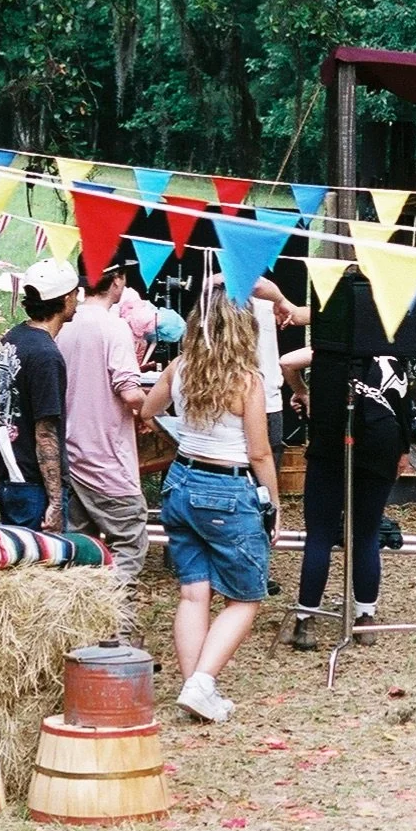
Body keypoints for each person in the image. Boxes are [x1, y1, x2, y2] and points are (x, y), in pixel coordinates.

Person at [142, 288, 278, 723]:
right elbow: (259, 453)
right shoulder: (246, 381)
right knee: (244, 597)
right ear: (243, 329)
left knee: (193, 592)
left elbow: (148, 409)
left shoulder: (181, 368)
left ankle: (194, 687)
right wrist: (274, 503)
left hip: (179, 482)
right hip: (227, 488)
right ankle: (202, 683)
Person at [279, 274, 413, 651]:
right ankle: (365, 617)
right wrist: (404, 449)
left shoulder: (326, 351)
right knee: (366, 532)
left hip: (328, 443)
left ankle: (306, 621)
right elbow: (404, 406)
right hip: (381, 445)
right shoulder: (395, 352)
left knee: (319, 534)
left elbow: (287, 361)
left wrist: (304, 393)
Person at [57, 263, 152, 587]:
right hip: (107, 459)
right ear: (118, 281)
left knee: (80, 551)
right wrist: (155, 407)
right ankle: (114, 629)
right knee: (128, 542)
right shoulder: (114, 327)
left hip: (68, 456)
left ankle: (83, 629)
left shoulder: (63, 323)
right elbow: (128, 392)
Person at [0, 259, 74, 530]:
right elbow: (45, 433)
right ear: (67, 299)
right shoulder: (47, 356)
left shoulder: (14, 337)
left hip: (11, 479)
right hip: (34, 486)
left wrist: (9, 412)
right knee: (40, 566)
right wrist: (56, 502)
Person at [252, 277, 312, 454]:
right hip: (252, 398)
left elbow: (296, 315)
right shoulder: (219, 285)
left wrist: (302, 391)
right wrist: (280, 301)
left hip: (267, 400)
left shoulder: (267, 290)